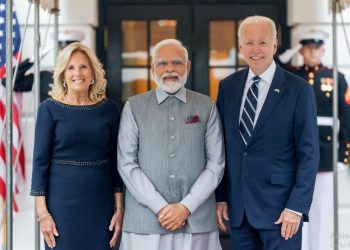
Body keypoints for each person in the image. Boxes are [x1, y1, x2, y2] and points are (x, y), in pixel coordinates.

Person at [215, 15, 319, 250]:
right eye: (249, 42)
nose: (255, 49)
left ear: (275, 44)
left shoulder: (298, 89)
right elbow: (222, 147)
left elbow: (309, 153)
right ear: (240, 46)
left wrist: (296, 207)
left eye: (262, 42)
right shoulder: (228, 86)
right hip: (238, 211)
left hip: (282, 212)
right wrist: (221, 197)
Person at [117, 38, 225, 250]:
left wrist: (186, 207)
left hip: (196, 220)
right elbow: (126, 164)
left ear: (188, 66)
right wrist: (160, 208)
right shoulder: (133, 107)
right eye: (162, 63)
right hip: (145, 222)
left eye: (176, 62)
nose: (170, 69)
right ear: (152, 68)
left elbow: (216, 163)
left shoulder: (206, 106)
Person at [30, 42, 124, 250]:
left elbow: (117, 163)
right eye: (70, 67)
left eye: (83, 66)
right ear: (63, 75)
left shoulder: (110, 110)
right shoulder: (49, 109)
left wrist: (119, 208)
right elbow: (40, 164)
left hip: (101, 205)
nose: (77, 73)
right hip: (60, 207)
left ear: (93, 72)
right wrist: (43, 214)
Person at [278, 29, 350, 250]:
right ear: (302, 50)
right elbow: (272, 65)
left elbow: (346, 119)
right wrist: (289, 52)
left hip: (326, 151)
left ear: (323, 50)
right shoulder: (292, 74)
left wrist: (341, 156)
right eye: (307, 48)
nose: (312, 52)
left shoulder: (335, 77)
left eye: (316, 48)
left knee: (322, 208)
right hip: (297, 150)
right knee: (297, 205)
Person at [1, 29, 85, 102]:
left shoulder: (86, 77)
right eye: (63, 50)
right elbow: (7, 81)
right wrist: (33, 59)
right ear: (59, 52)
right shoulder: (44, 77)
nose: (67, 56)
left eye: (71, 52)